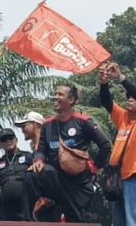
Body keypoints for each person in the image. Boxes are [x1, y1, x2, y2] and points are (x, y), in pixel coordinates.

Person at [23, 84, 113, 222]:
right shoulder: (47, 125)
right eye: (55, 94)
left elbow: (105, 146)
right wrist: (38, 161)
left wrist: (94, 168)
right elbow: (40, 150)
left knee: (75, 220)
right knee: (32, 175)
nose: (55, 97)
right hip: (55, 177)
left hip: (78, 182)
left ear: (71, 100)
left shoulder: (83, 122)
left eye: (60, 94)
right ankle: (35, 213)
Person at [99, 63, 136, 226]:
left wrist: (121, 78)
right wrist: (104, 83)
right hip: (120, 178)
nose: (129, 98)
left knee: (135, 223)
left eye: (133, 96)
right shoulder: (124, 118)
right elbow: (106, 102)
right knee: (119, 223)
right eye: (127, 96)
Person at [0, 128, 33, 221]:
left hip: (26, 206)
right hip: (6, 209)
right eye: (4, 140)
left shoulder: (28, 157)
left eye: (10, 138)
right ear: (1, 144)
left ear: (16, 140)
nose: (8, 141)